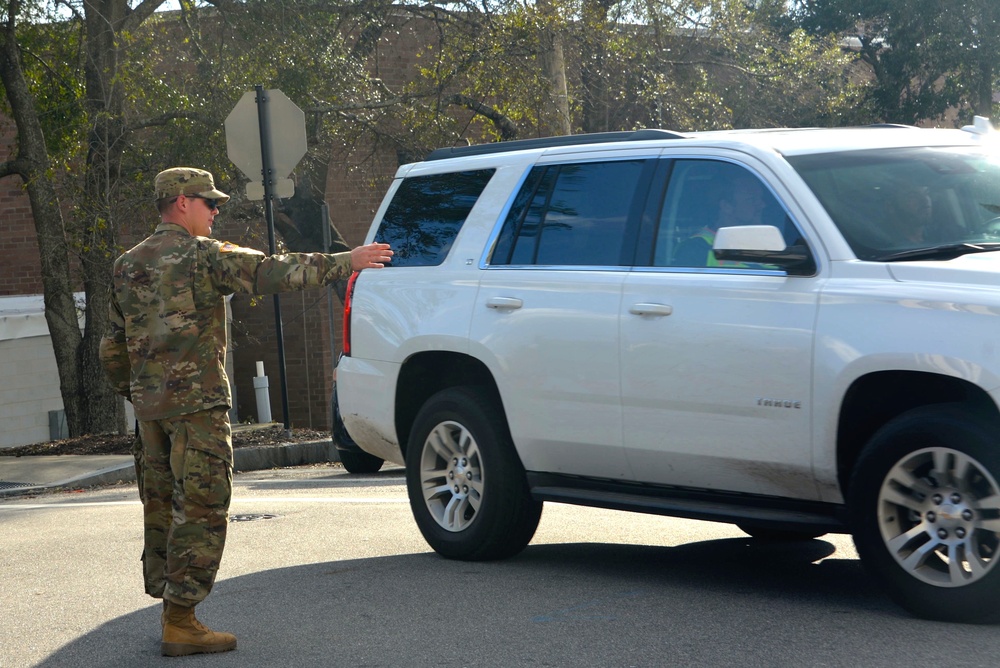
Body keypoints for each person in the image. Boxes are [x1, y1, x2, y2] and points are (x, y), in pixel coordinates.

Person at [98, 167, 392, 657]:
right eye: (208, 203)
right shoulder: (205, 256)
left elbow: (112, 346)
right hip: (199, 410)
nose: (216, 212)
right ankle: (181, 621)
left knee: (161, 507)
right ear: (180, 203)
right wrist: (349, 260)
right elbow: (273, 272)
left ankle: (170, 607)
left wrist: (141, 394)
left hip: (152, 415)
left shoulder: (126, 264)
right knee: (202, 507)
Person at [673, 173, 768, 267]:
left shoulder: (768, 241)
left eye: (760, 198)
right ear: (726, 206)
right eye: (751, 200)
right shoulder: (695, 249)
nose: (762, 205)